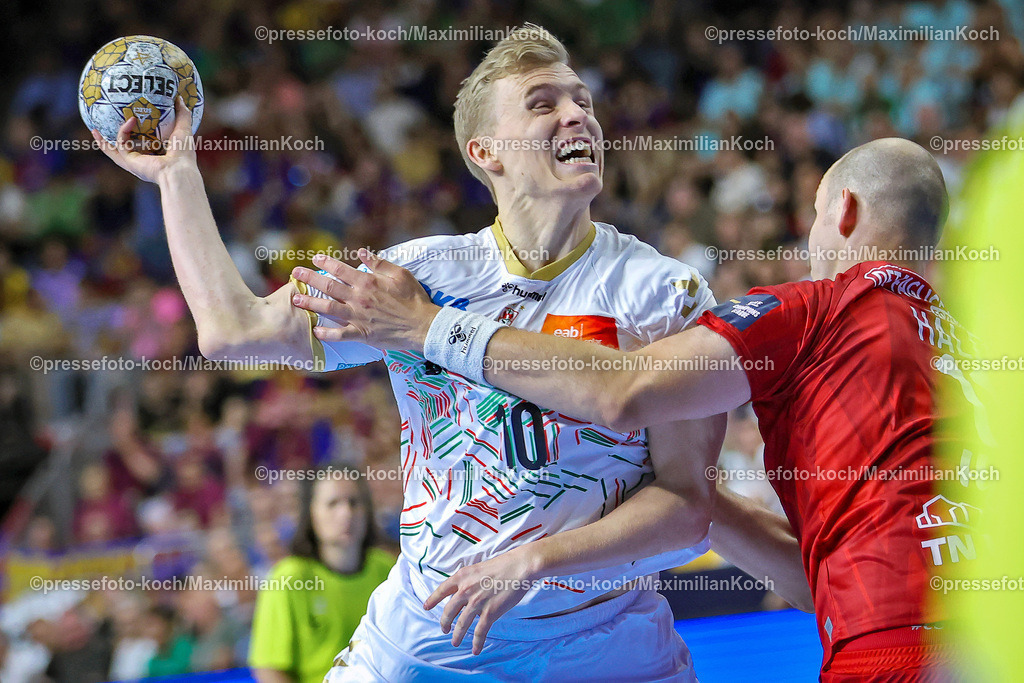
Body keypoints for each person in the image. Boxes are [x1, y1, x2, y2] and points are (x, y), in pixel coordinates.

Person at [94, 23, 743, 682]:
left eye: (583, 102)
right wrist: (176, 172)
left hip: (607, 644)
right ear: (485, 150)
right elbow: (233, 330)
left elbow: (687, 508)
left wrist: (534, 559)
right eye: (544, 104)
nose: (579, 114)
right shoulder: (418, 274)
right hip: (428, 641)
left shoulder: (664, 291)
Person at [292, 137, 981, 680]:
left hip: (894, 648)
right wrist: (683, 494)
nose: (810, 243)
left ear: (848, 212)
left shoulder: (819, 307)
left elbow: (621, 393)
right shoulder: (975, 358)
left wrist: (427, 329)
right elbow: (813, 578)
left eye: (815, 219)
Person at [249, 468, 394, 683]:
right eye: (333, 503)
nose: (346, 513)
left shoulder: (388, 570)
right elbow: (269, 670)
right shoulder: (288, 579)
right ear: (310, 512)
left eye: (354, 502)